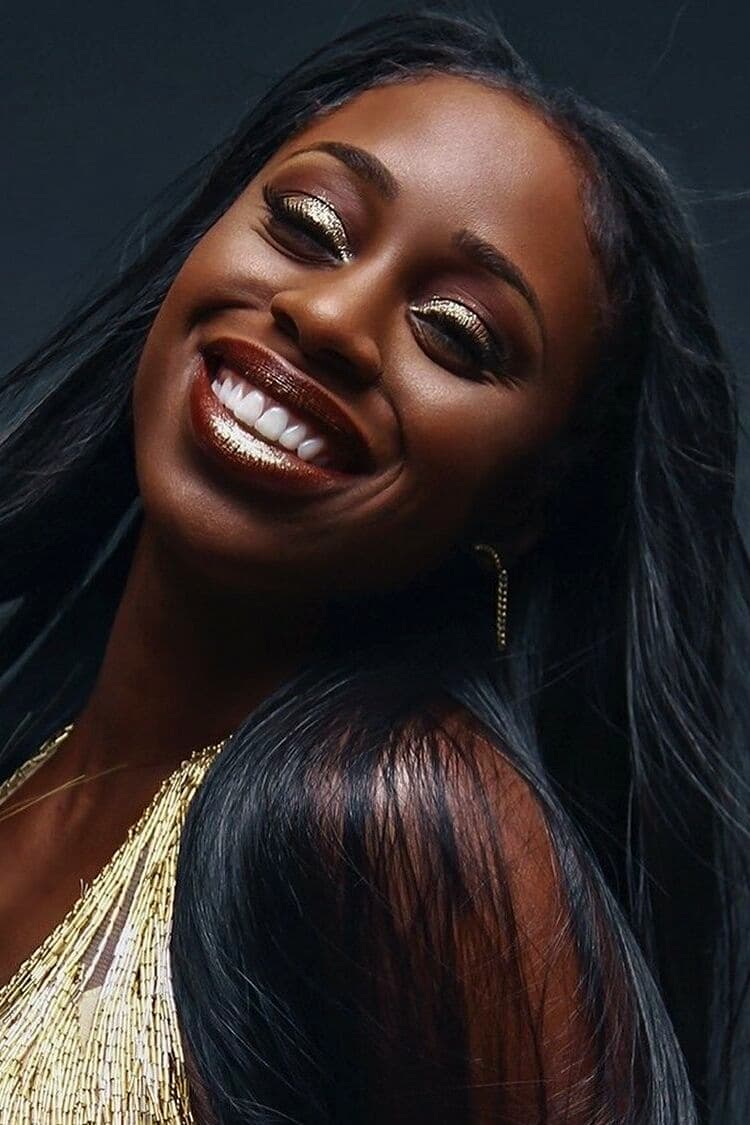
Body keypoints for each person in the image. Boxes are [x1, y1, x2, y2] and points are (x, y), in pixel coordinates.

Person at [0, 7, 747, 1123]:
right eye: (308, 225)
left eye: (456, 334)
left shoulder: (410, 830)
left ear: (526, 502)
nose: (329, 317)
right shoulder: (30, 749)